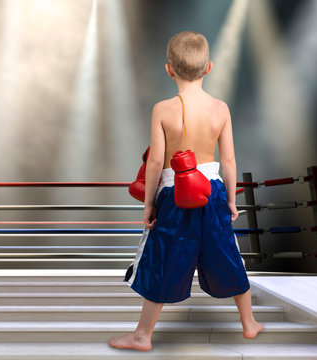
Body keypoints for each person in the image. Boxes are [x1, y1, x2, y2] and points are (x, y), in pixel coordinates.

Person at [109, 31, 263, 351]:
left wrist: (149, 205)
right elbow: (230, 160)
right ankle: (249, 323)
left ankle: (142, 335)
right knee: (226, 254)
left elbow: (154, 163)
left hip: (173, 196)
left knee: (164, 258)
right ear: (209, 67)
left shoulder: (163, 109)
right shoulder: (220, 109)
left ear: (169, 70)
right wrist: (232, 201)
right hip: (213, 193)